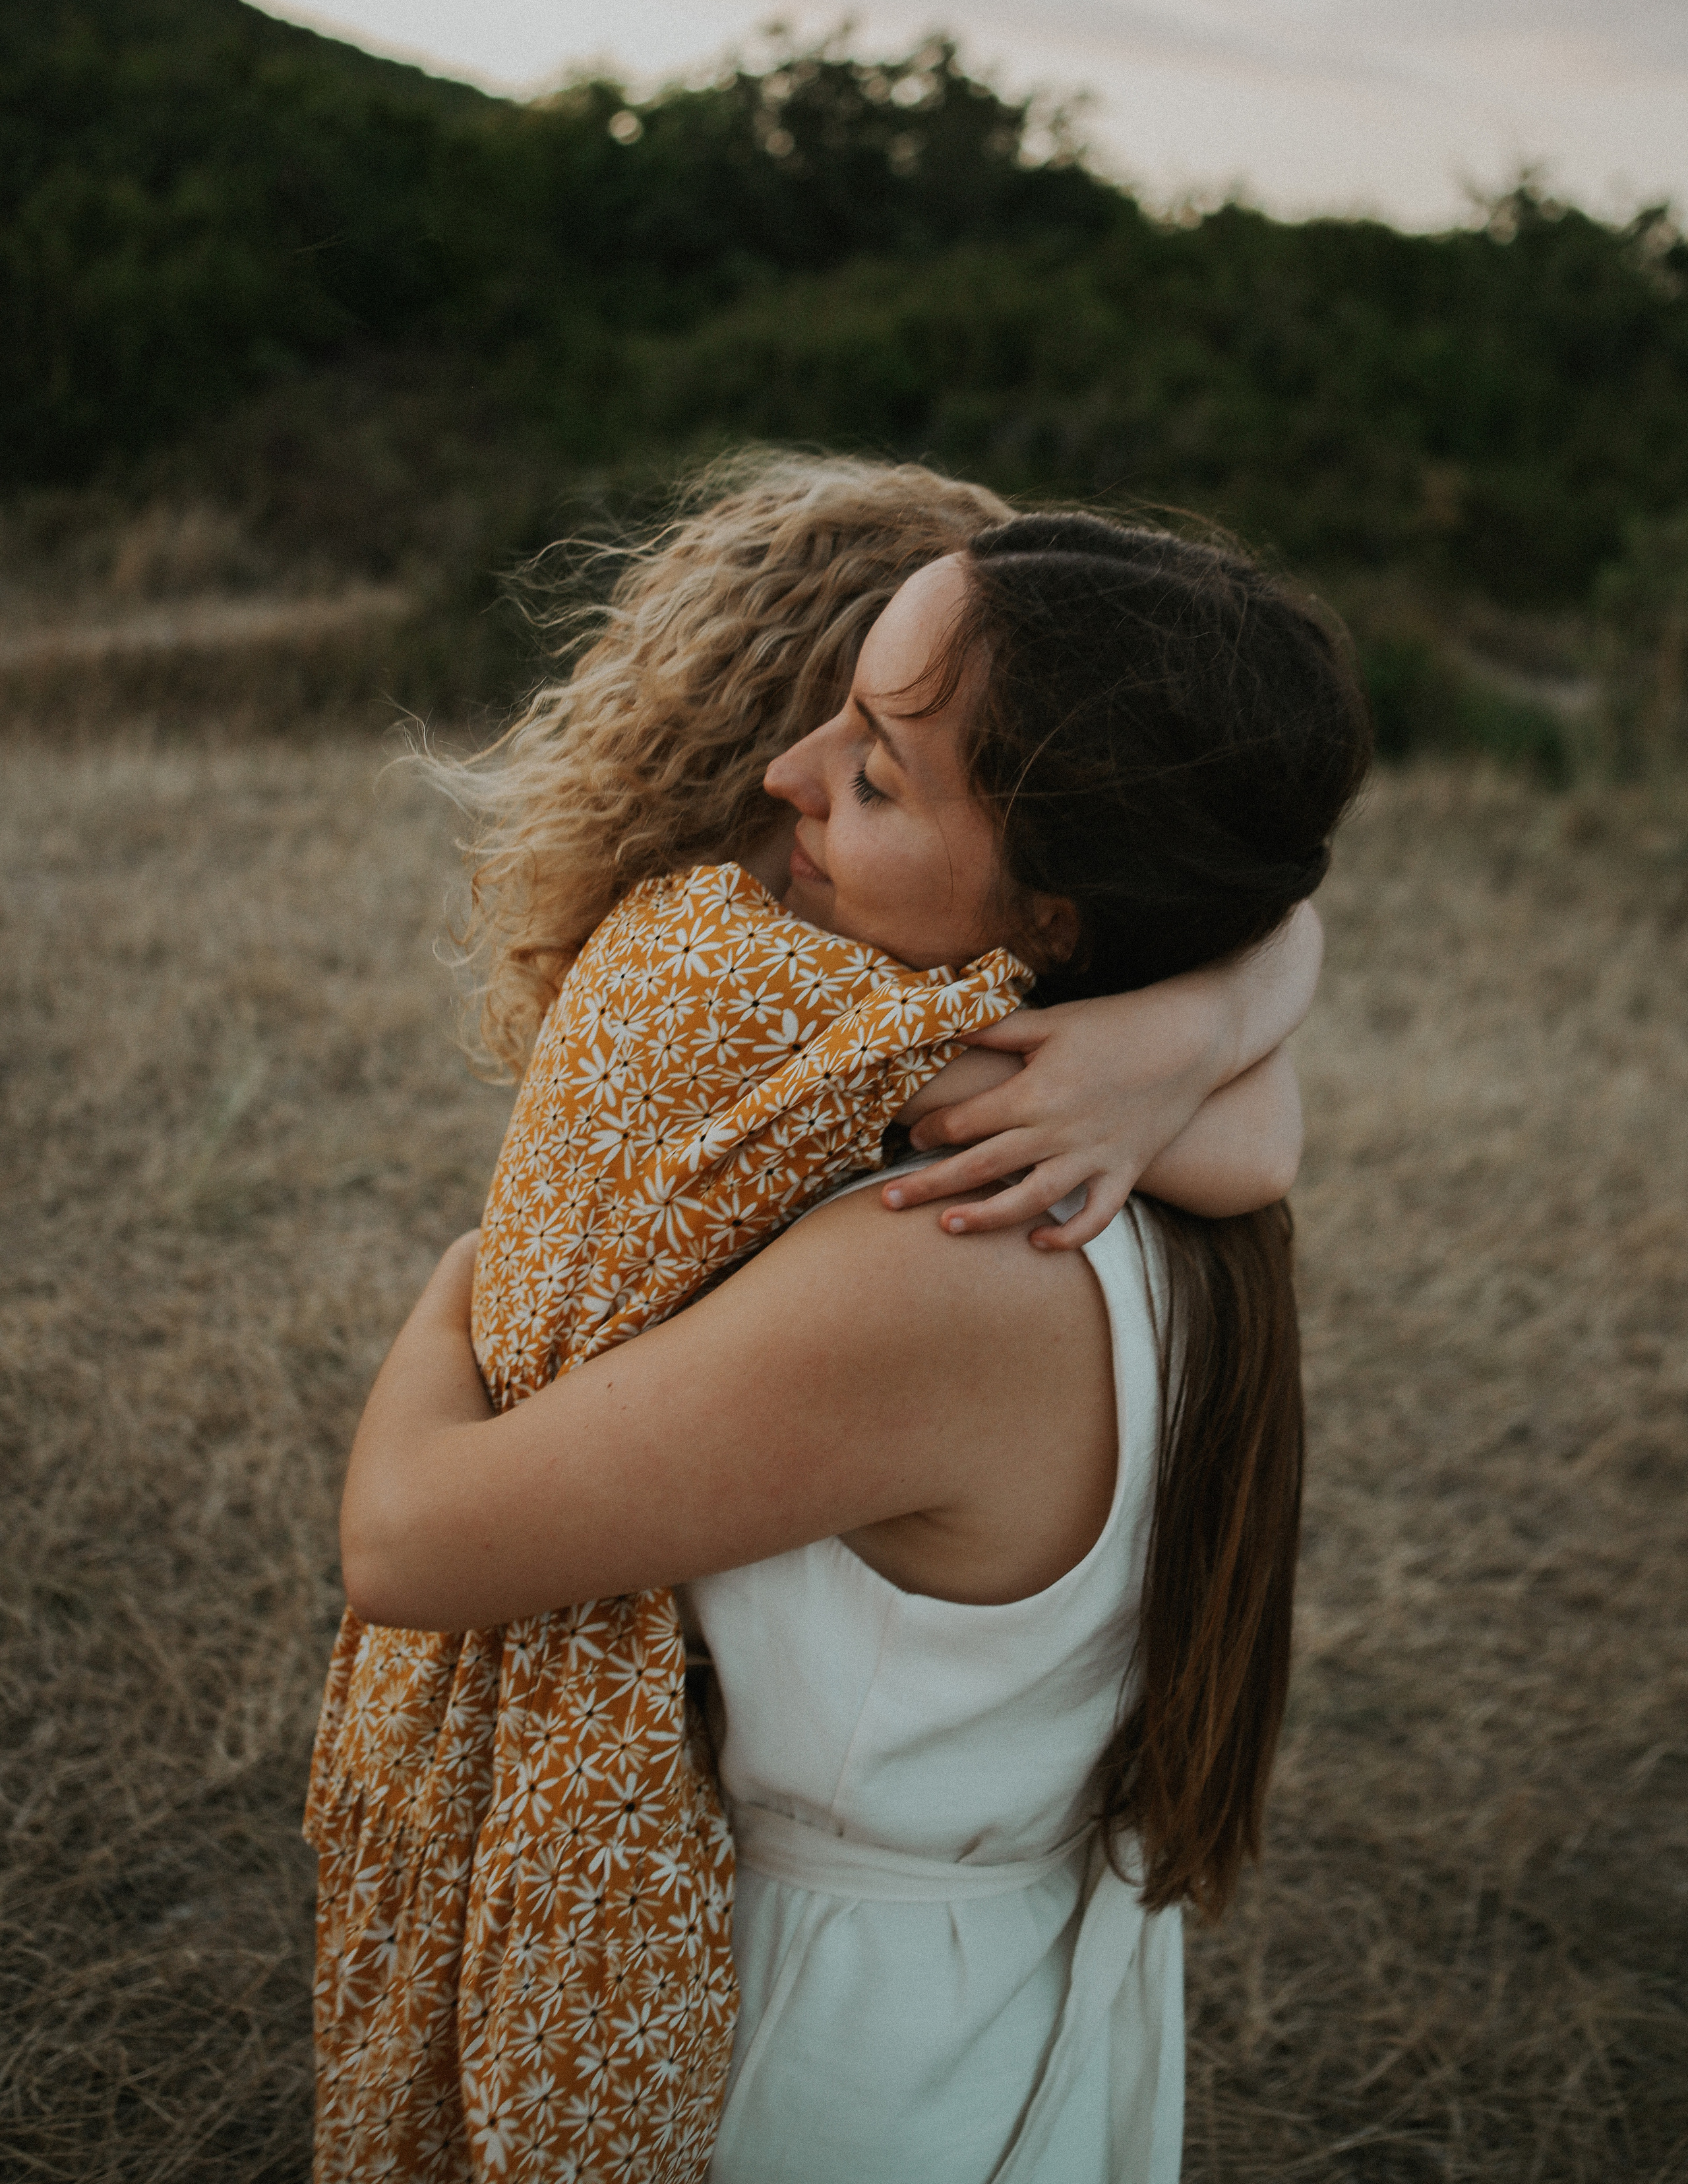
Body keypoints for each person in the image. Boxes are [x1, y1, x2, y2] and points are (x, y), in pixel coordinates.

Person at [338, 506, 1372, 2182]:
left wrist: (467, 1279)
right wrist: (1210, 1017)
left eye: (879, 777)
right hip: (981, 1957)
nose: (790, 780)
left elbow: (404, 1538)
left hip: (824, 2051)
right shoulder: (1142, 1119)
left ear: (1055, 921)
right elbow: (1272, 928)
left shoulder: (941, 1268)